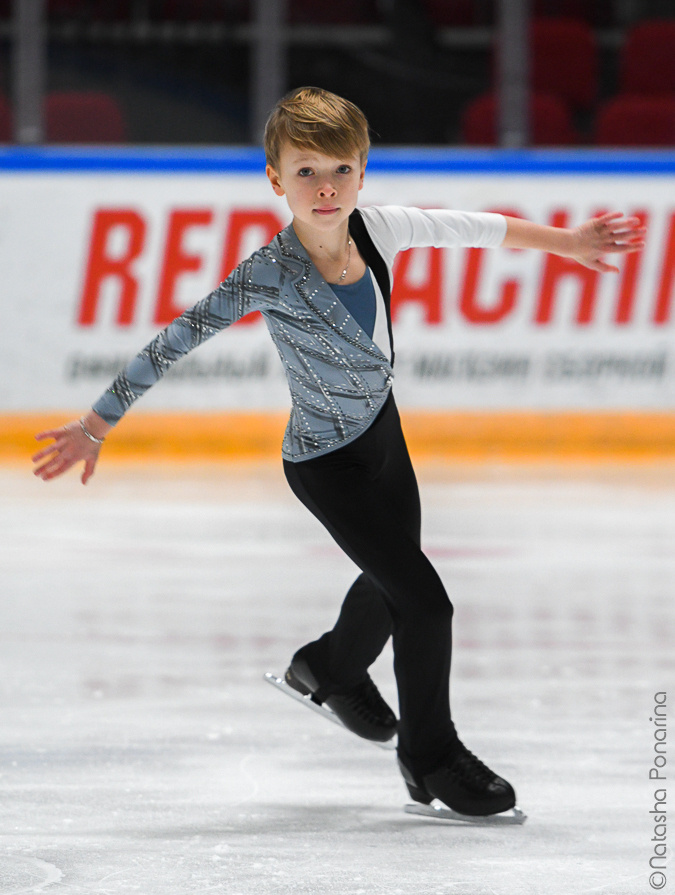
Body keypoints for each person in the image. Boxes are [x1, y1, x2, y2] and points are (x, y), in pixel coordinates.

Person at [32, 86, 645, 819]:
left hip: (384, 438)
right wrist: (97, 424)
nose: (325, 189)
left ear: (362, 172)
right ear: (273, 177)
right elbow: (174, 340)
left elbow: (479, 229)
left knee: (393, 587)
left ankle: (327, 665)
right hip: (326, 466)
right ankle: (429, 757)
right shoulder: (270, 272)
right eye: (305, 172)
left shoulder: (379, 228)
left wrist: (569, 245)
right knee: (426, 605)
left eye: (341, 171)